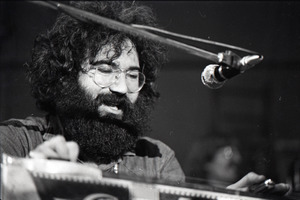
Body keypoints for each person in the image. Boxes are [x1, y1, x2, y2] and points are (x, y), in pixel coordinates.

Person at [0, 1, 290, 194]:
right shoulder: (16, 142)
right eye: (105, 69)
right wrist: (24, 181)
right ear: (65, 75)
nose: (121, 88)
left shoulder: (157, 159)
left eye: (132, 74)